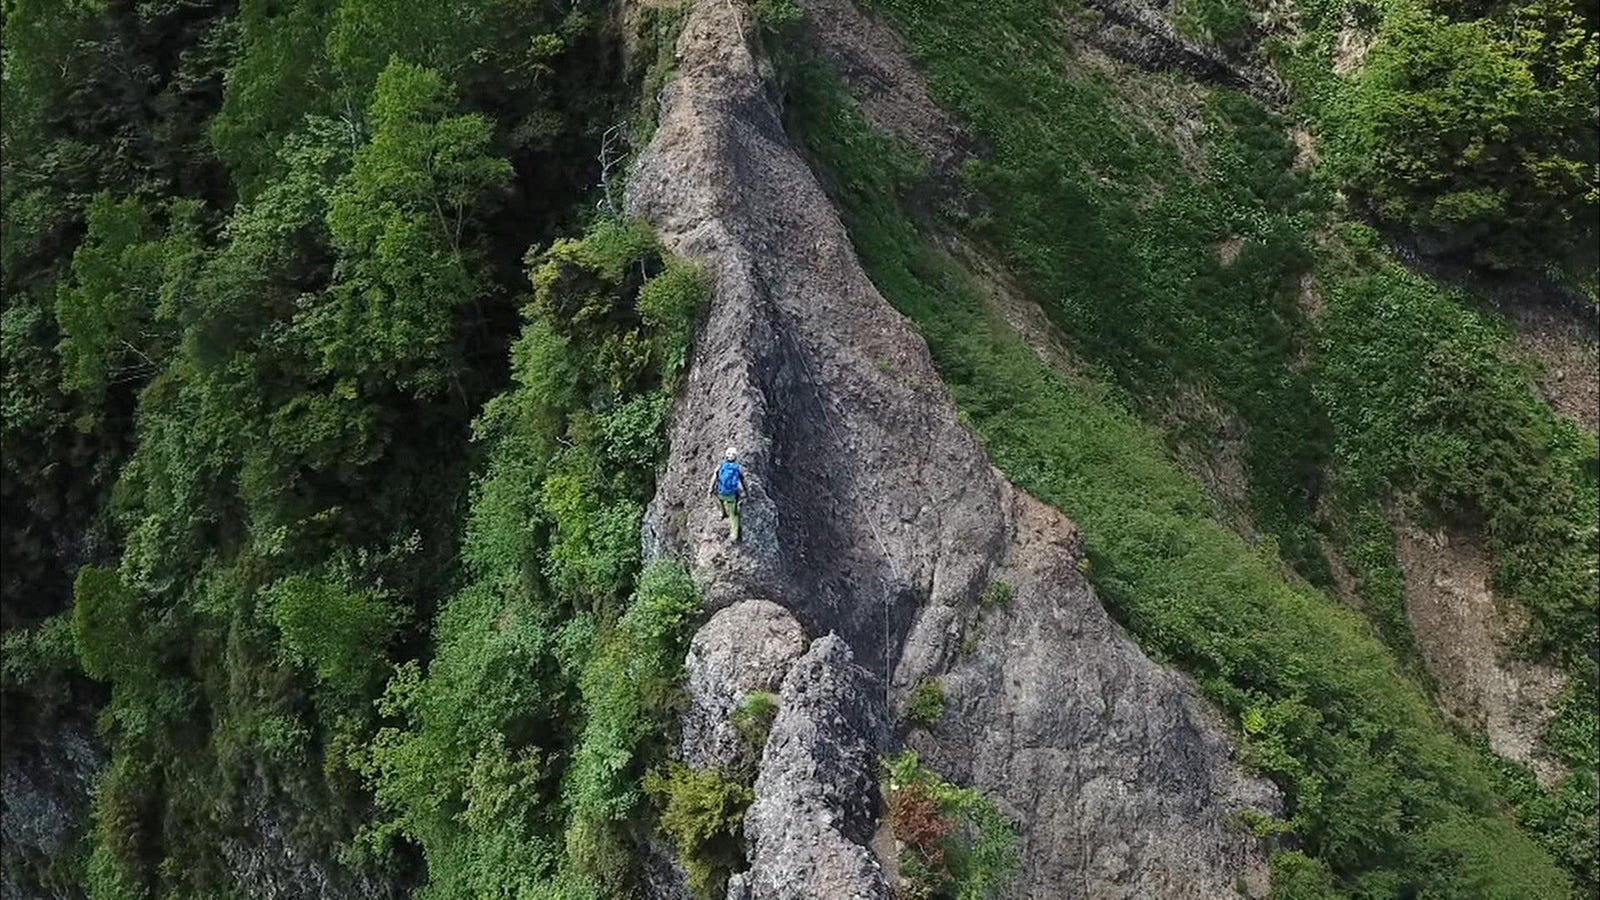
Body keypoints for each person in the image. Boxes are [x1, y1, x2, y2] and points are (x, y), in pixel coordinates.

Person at [708, 447, 744, 542]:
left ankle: (722, 513)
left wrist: (710, 490)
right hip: (732, 495)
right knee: (734, 514)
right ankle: (734, 534)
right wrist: (747, 493)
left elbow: (714, 479)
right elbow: (744, 482)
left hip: (721, 493)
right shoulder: (737, 468)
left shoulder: (721, 466)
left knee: (719, 501)